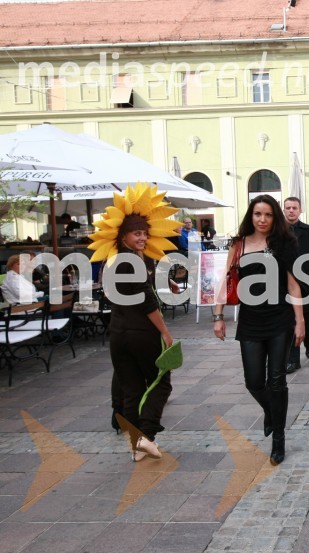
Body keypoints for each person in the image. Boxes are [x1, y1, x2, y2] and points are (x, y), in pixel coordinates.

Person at [87, 184, 181, 462]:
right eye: (137, 233)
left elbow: (133, 288)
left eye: (144, 233)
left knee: (131, 389)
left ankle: (136, 445)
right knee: (160, 383)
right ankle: (146, 437)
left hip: (117, 333)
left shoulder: (113, 259)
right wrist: (165, 331)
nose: (143, 237)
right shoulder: (131, 261)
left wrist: (166, 281)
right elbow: (146, 302)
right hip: (141, 333)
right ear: (123, 235)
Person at [213, 195, 305, 465]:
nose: (263, 219)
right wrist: (218, 316)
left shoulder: (283, 244)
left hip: (280, 319)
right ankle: (271, 411)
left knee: (276, 379)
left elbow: (293, 286)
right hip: (250, 320)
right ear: (250, 216)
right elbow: (226, 281)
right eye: (258, 214)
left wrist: (300, 321)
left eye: (268, 215)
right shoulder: (238, 246)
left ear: (274, 218)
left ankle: (279, 438)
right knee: (253, 381)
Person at [284, 197, 309, 374]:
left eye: (294, 208)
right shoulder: (278, 230)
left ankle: (308, 342)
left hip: (307, 282)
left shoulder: (308, 231)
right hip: (286, 283)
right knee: (291, 321)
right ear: (283, 210)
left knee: (307, 320)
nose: (291, 211)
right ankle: (293, 359)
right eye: (288, 208)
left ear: (300, 210)